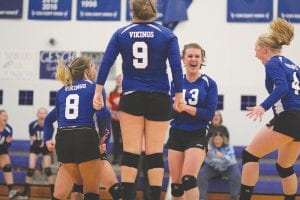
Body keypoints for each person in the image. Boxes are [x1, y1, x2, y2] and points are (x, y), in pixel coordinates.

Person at [93, 0, 185, 199]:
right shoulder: (167, 34)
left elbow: (106, 62)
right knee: (154, 153)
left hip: (132, 96)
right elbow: (176, 67)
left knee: (131, 153)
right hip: (159, 97)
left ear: (132, 11)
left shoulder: (121, 33)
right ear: (154, 11)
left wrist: (98, 91)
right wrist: (179, 95)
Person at [240, 18, 300, 200]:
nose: (255, 54)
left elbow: (282, 88)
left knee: (249, 155)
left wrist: (262, 106)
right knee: (284, 167)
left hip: (289, 117)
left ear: (264, 49)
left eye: (256, 49)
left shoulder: (273, 63)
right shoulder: (293, 65)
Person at [166, 43, 218, 199]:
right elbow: (169, 112)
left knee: (188, 179)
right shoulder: (176, 82)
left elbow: (209, 114)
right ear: (183, 59)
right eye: (190, 56)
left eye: (197, 56)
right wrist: (174, 107)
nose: (193, 59)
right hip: (176, 133)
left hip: (197, 134)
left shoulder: (209, 83)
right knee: (176, 186)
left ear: (202, 60)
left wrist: (186, 107)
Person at [53, 56, 102, 200]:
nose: (95, 69)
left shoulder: (62, 90)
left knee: (74, 186)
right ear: (87, 71)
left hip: (62, 137)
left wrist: (46, 139)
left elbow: (57, 118)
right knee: (92, 191)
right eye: (93, 66)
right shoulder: (94, 87)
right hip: (85, 135)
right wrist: (104, 137)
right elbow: (103, 115)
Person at [18, 107, 54, 199]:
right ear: (37, 115)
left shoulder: (50, 125)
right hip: (35, 147)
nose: (42, 115)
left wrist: (43, 143)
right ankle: (25, 193)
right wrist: (37, 141)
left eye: (44, 113)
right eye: (40, 113)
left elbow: (48, 139)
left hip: (45, 147)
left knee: (48, 170)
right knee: (30, 170)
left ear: (47, 115)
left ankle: (53, 194)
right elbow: (33, 138)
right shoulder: (32, 125)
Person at [198, 132, 241, 200]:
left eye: (219, 139)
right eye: (216, 139)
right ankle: (202, 198)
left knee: (236, 176)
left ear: (223, 140)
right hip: (212, 167)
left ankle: (234, 198)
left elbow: (231, 158)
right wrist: (204, 153)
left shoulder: (228, 146)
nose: (217, 141)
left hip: (228, 167)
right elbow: (204, 159)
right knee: (201, 175)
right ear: (213, 140)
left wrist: (223, 156)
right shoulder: (209, 146)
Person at [0, 110, 19, 199]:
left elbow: (8, 145)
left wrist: (8, 142)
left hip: (2, 150)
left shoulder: (8, 129)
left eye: (6, 116)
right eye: (4, 115)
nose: (6, 117)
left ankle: (11, 191)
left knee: (7, 166)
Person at [107, 74, 123, 165]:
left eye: (120, 80)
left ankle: (122, 160)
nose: (119, 81)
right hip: (115, 120)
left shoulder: (126, 92)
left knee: (123, 140)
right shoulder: (112, 93)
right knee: (116, 139)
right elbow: (108, 104)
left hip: (124, 121)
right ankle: (115, 159)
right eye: (117, 80)